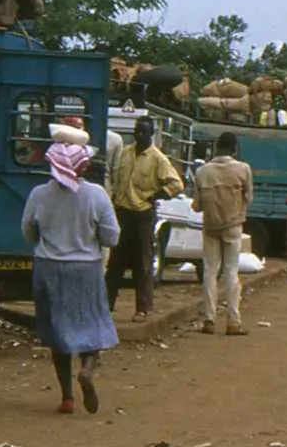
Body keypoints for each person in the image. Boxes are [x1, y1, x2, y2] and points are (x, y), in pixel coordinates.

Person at [21, 134, 120, 414]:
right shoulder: (97, 195)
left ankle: (67, 397)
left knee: (58, 333)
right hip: (85, 270)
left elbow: (28, 232)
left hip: (48, 268)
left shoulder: (39, 194)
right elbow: (112, 237)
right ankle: (87, 369)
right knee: (92, 325)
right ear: (84, 166)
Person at [105, 116, 183, 322]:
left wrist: (155, 195)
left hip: (142, 215)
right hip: (122, 212)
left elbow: (176, 184)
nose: (139, 135)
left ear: (151, 134)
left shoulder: (158, 159)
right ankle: (106, 305)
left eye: (143, 132)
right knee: (115, 262)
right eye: (136, 131)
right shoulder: (125, 153)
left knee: (143, 263)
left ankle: (143, 309)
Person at [191, 131, 253, 335]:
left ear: (217, 147)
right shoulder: (243, 169)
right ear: (234, 149)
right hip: (233, 226)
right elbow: (249, 198)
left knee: (210, 272)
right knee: (231, 272)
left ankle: (209, 319)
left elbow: (197, 206)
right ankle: (233, 321)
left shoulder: (202, 172)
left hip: (210, 227)